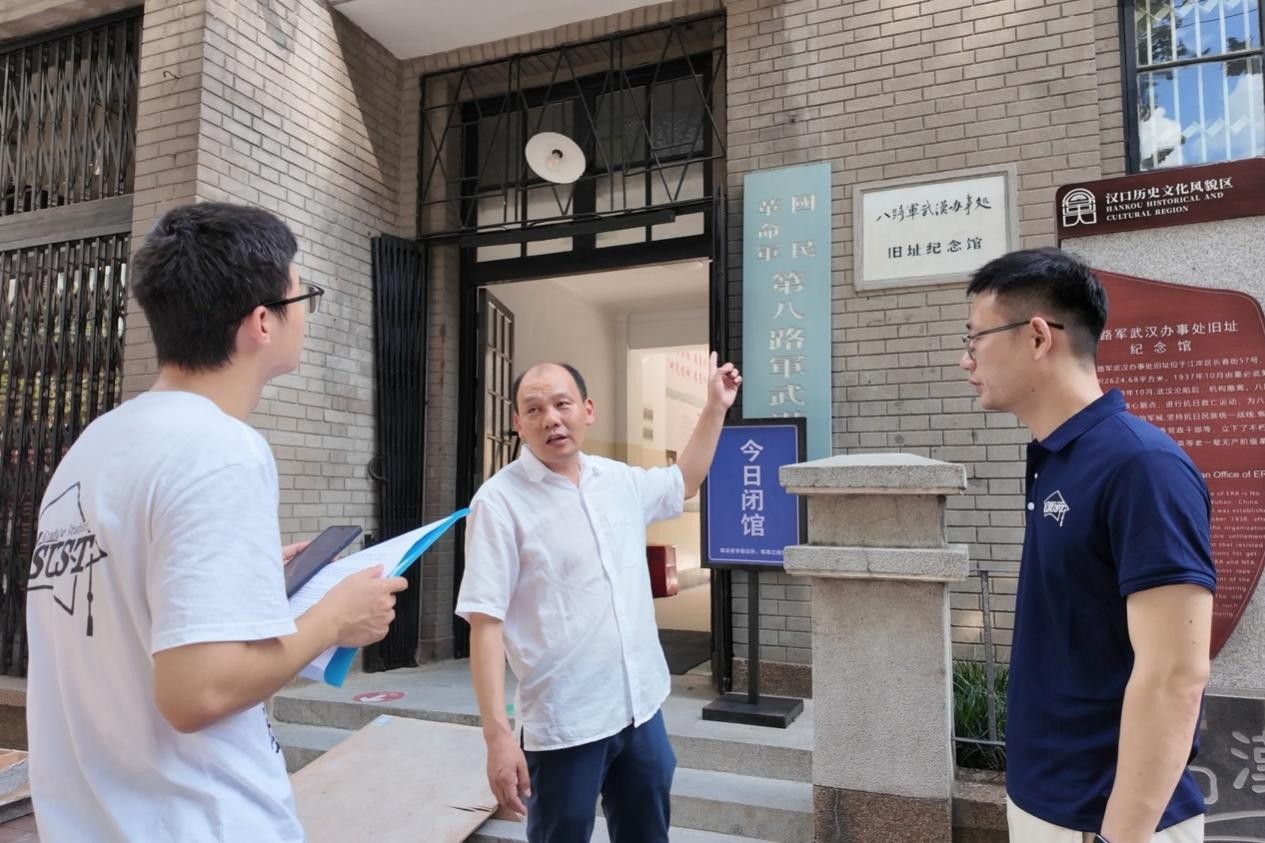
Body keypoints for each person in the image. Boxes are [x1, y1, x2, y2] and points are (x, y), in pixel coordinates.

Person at [26, 203, 408, 842]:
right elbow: (196, 693)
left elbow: (129, 605)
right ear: (261, 322)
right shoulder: (221, 450)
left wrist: (245, 583)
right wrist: (334, 619)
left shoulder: (95, 445)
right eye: (303, 296)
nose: (305, 316)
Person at [960, 247, 1215, 843]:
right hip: (1046, 803)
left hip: (1107, 821)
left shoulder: (1142, 466)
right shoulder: (1057, 457)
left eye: (975, 338)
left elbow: (1175, 674)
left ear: (1038, 336)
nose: (964, 359)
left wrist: (1118, 836)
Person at [456, 354, 740, 842]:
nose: (551, 418)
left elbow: (684, 480)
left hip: (639, 707)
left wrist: (715, 406)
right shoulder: (499, 503)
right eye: (534, 409)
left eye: (562, 404)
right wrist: (497, 734)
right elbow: (485, 622)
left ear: (588, 410)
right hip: (566, 720)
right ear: (518, 423)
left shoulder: (618, 481)